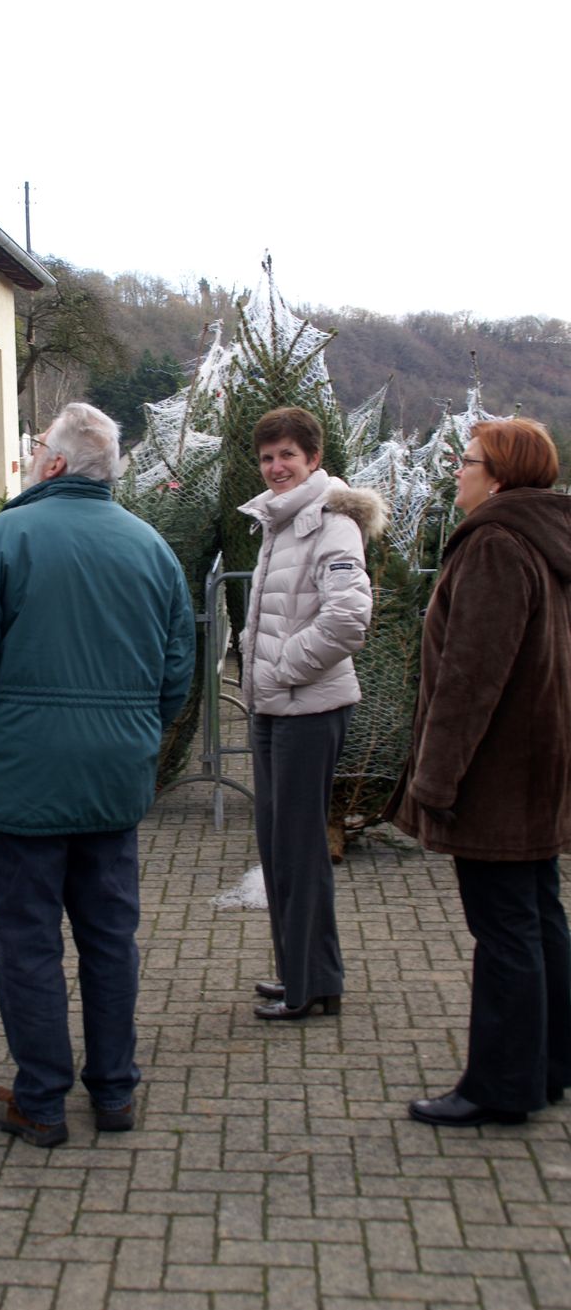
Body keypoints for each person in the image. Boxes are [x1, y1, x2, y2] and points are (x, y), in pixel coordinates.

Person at [0, 402, 195, 1147]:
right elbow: (178, 673)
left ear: (53, 463)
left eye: (39, 445)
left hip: (20, 780)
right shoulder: (152, 548)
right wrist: (134, 735)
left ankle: (40, 1099)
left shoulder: (2, 538)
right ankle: (114, 1091)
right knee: (111, 936)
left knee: (28, 940)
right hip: (114, 779)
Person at [389, 417, 571, 1127]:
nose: (455, 472)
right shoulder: (546, 536)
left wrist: (435, 780)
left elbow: (471, 677)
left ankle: (500, 1084)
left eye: (466, 461)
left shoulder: (496, 543)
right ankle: (550, 1062)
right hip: (540, 763)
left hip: (498, 774)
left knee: (505, 930)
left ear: (497, 476)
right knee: (537, 916)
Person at [239, 407, 386, 1020]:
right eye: (268, 456)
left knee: (297, 850)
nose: (276, 467)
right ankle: (308, 975)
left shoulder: (331, 522)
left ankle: (307, 990)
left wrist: (281, 668)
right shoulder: (279, 520)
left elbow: (349, 617)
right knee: (281, 848)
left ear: (313, 460)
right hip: (275, 707)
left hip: (307, 709)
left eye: (287, 456)